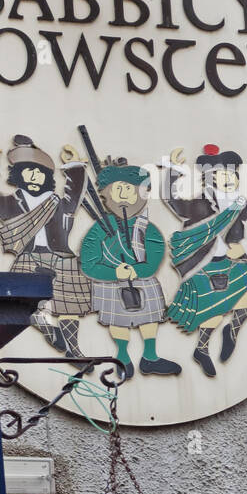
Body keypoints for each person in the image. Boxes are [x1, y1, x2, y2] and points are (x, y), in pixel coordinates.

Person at [0, 135, 93, 357]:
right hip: (28, 256)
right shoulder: (12, 202)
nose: (35, 176)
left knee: (70, 306)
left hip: (62, 257)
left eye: (39, 172)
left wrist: (75, 166)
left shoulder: (60, 203)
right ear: (18, 175)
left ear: (47, 176)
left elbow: (75, 193)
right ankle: (47, 328)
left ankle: (73, 350)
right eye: (29, 171)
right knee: (24, 303)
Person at [163, 145, 247, 376]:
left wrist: (243, 247)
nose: (228, 179)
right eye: (222, 175)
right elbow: (172, 200)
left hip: (231, 261)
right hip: (204, 264)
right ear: (211, 179)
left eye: (231, 175)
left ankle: (232, 329)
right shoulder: (200, 204)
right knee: (213, 312)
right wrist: (172, 170)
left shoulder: (240, 204)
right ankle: (201, 349)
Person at [77, 163, 181, 381]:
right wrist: (115, 273)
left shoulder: (147, 228)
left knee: (150, 318)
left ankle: (150, 356)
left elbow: (154, 255)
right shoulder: (99, 229)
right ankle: (122, 356)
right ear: (106, 194)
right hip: (110, 284)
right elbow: (89, 261)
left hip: (141, 280)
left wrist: (137, 270)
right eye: (118, 189)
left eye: (129, 190)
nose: (123, 196)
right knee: (117, 321)